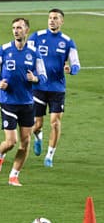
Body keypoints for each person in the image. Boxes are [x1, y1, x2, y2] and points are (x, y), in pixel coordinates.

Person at [0, 18, 47, 187]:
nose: (16, 31)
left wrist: (35, 78)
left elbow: (43, 76)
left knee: (25, 141)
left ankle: (14, 175)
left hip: (27, 103)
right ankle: (0, 153)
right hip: (8, 101)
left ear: (26, 30)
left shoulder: (35, 52)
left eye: (19, 28)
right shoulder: (5, 49)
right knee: (11, 142)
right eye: (14, 28)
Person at [27, 9, 81, 167]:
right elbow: (26, 54)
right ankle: (38, 136)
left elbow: (76, 63)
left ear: (61, 22)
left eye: (55, 18)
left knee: (55, 122)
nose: (52, 21)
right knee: (37, 124)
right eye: (50, 18)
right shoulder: (36, 37)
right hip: (38, 86)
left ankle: (50, 156)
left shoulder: (68, 41)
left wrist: (72, 70)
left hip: (57, 88)